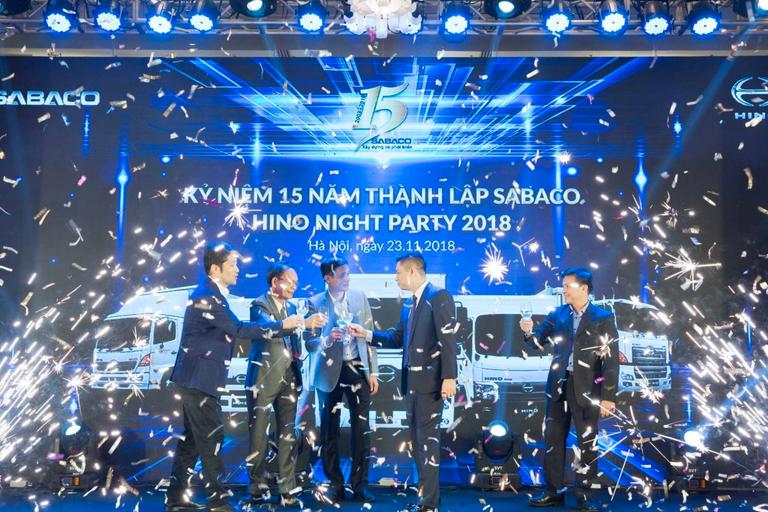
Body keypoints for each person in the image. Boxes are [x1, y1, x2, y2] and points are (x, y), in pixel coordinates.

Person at [166, 242, 275, 512]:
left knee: (192, 441)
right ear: (215, 268)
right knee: (212, 439)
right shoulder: (207, 296)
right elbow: (239, 329)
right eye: (233, 265)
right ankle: (219, 501)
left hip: (197, 380)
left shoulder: (212, 294)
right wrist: (282, 326)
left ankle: (175, 499)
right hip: (198, 381)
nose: (238, 270)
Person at [350, 253, 457, 512]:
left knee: (427, 444)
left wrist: (449, 376)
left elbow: (448, 340)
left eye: (398, 273)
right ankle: (425, 499)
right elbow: (396, 339)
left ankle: (429, 503)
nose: (395, 278)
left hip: (431, 384)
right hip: (411, 383)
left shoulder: (439, 296)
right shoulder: (410, 304)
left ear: (412, 271)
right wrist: (366, 334)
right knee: (418, 444)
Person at [520, 267, 619, 512]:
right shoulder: (558, 314)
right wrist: (528, 331)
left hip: (587, 389)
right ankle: (552, 491)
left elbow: (611, 360)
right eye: (563, 286)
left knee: (587, 443)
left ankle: (585, 495)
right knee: (553, 441)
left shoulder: (603, 317)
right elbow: (536, 343)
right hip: (558, 386)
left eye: (568, 286)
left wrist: (608, 397)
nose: (563, 290)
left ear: (584, 288)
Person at [245, 262, 327, 507]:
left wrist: (319, 336)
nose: (294, 287)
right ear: (275, 282)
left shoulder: (292, 307)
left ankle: (287, 489)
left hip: (290, 378)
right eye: (290, 282)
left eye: (296, 283)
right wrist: (303, 322)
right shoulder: (259, 305)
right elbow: (266, 329)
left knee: (287, 435)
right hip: (263, 380)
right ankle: (257, 488)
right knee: (258, 436)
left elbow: (298, 341)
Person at [306, 257, 379, 503]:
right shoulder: (314, 303)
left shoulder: (359, 297)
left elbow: (369, 336)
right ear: (328, 278)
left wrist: (373, 371)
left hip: (357, 368)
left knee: (361, 429)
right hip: (328, 373)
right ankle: (335, 484)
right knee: (329, 430)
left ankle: (360, 485)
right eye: (342, 275)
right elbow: (309, 343)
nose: (347, 279)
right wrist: (328, 339)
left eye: (348, 274)